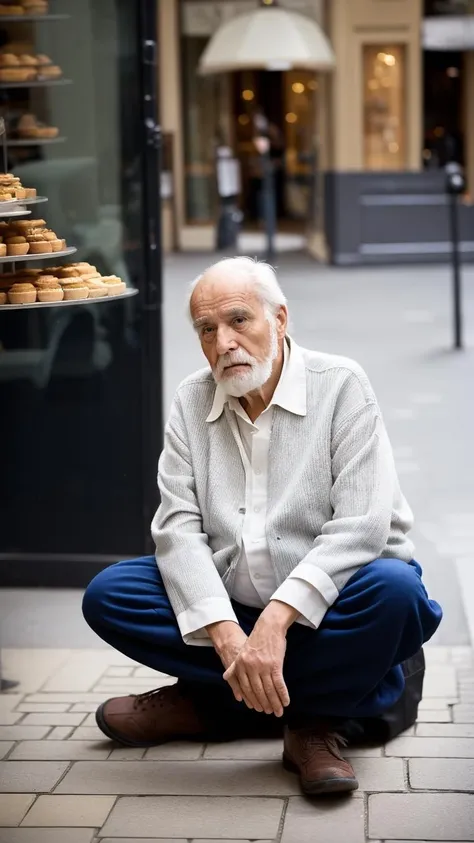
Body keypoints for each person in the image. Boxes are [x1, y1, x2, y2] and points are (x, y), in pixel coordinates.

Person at [83, 257, 442, 796]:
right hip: (235, 605)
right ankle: (280, 700)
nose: (223, 341)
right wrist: (229, 639)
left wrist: (274, 626)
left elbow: (362, 528)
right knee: (110, 594)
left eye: (238, 320)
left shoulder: (340, 385)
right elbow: (177, 528)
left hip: (330, 606)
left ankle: (273, 718)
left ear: (279, 319)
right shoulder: (190, 400)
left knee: (395, 592)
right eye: (207, 329)